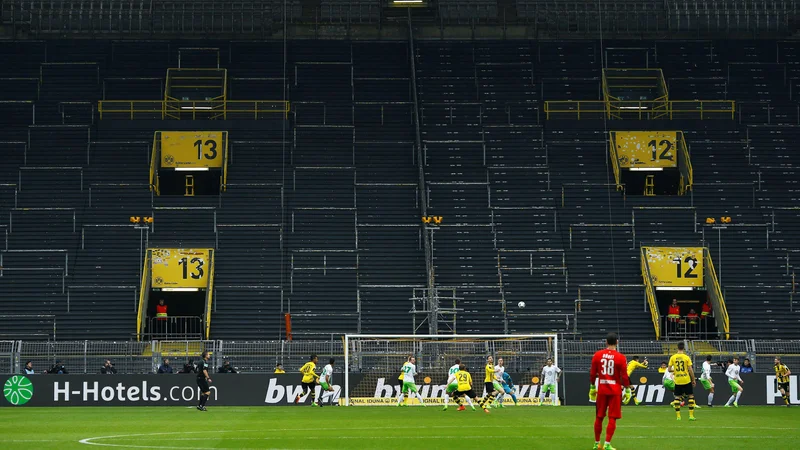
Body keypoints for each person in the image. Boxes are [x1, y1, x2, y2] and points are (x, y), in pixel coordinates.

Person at [589, 332, 632, 450]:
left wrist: (592, 386)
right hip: (615, 391)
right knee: (612, 417)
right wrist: (627, 390)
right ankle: (607, 444)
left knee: (599, 417)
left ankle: (596, 443)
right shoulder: (621, 357)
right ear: (617, 342)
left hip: (602, 389)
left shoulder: (597, 355)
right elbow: (624, 376)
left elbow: (593, 373)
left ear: (606, 342)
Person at [668, 342, 696, 421]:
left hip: (678, 380)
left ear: (677, 348)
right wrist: (693, 380)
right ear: (683, 348)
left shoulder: (673, 357)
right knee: (690, 396)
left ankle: (678, 416)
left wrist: (676, 370)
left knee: (677, 397)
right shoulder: (686, 357)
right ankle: (691, 416)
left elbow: (669, 369)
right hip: (686, 379)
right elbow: (690, 369)